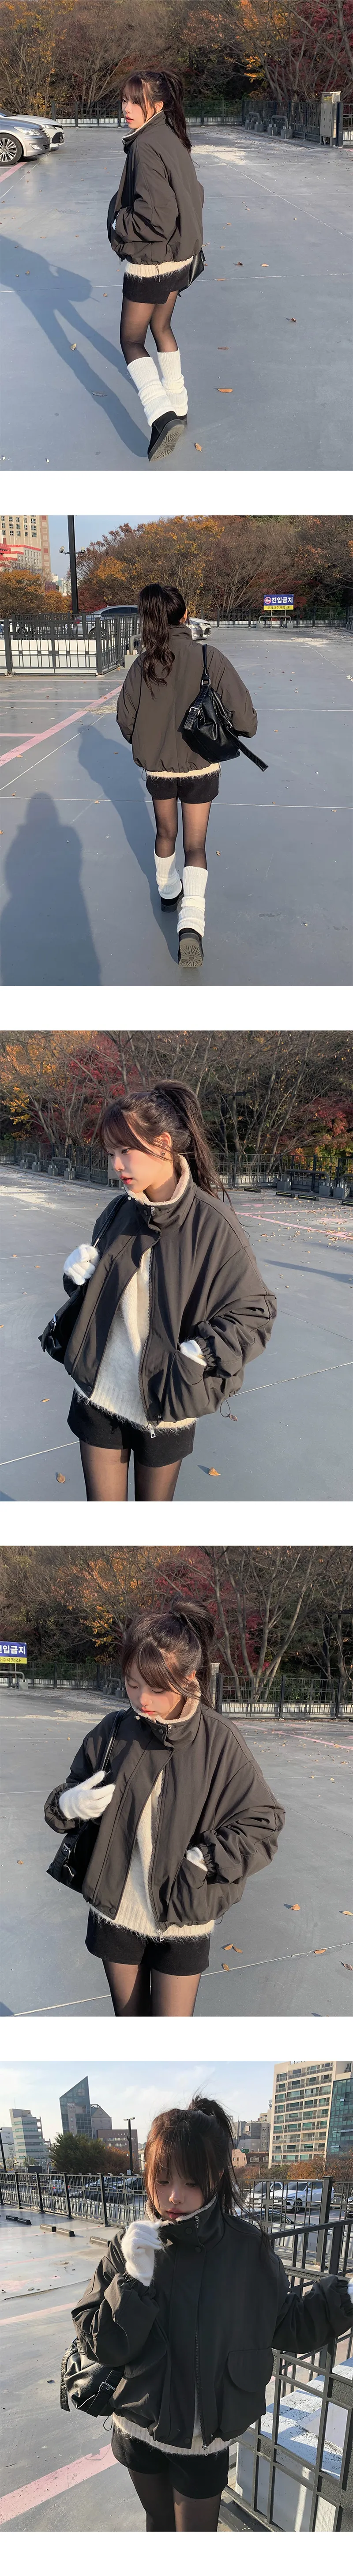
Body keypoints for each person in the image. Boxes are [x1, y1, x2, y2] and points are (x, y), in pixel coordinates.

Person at [70, 2094, 353, 2531]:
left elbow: (286, 2323)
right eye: (162, 2179)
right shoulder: (132, 2243)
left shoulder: (247, 2249)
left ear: (216, 2177)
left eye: (190, 2182)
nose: (174, 2196)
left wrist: (344, 2295)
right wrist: (133, 2278)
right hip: (137, 2424)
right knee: (157, 2522)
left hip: (204, 2439)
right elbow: (101, 2343)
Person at [45, 1599, 285, 2018]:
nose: (143, 1699)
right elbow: (62, 1800)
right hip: (116, 1907)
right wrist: (71, 1803)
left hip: (185, 1911)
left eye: (158, 1688)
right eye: (133, 1684)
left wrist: (203, 1860)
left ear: (189, 1678)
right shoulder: (113, 1731)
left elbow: (263, 1822)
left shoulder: (219, 1740)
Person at [46, 1077, 276, 1502]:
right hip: (100, 1390)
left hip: (166, 1400)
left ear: (163, 1144)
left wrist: (198, 1354)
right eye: (111, 1153)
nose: (116, 1165)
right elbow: (102, 1296)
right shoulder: (117, 1211)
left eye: (125, 1151)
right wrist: (77, 1278)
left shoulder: (212, 1224)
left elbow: (255, 1313)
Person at [117, 584, 258, 968]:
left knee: (166, 833)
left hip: (158, 768)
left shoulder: (142, 665)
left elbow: (126, 721)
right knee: (195, 845)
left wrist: (151, 742)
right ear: (185, 616)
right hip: (201, 765)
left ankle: (168, 893)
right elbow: (247, 721)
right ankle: (192, 923)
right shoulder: (210, 658)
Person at [107, 69, 204, 460]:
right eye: (124, 100)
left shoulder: (145, 146)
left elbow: (155, 217)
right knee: (162, 327)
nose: (127, 108)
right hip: (180, 257)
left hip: (152, 260)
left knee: (132, 341)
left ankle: (160, 414)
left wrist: (119, 224)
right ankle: (179, 405)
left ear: (158, 105)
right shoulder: (170, 136)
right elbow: (195, 194)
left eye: (136, 101)